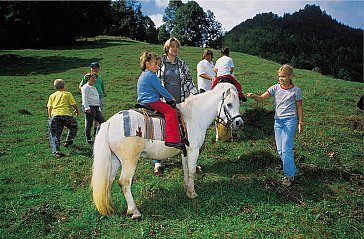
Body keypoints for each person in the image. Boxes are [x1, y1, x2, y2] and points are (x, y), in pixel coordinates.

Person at [246, 64, 303, 186]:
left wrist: (300, 122)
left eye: (283, 76)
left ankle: (289, 176)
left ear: (290, 76)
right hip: (278, 121)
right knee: (280, 150)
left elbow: (299, 107)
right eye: (279, 76)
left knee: (286, 148)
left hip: (290, 121)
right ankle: (292, 170)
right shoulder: (275, 88)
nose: (280, 79)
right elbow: (262, 98)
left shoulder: (296, 91)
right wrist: (254, 96)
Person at [154, 37, 199, 176]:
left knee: (186, 130)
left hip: (181, 102)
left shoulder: (182, 64)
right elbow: (154, 80)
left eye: (177, 46)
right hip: (163, 102)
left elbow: (190, 81)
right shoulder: (159, 63)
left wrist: (196, 97)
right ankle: (157, 162)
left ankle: (191, 161)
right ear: (167, 48)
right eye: (172, 46)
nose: (175, 48)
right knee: (160, 129)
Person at [137, 51, 185, 150]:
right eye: (156, 64)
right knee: (171, 112)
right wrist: (170, 98)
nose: (158, 67)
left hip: (143, 100)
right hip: (151, 101)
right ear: (147, 63)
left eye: (159, 65)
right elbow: (160, 89)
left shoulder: (144, 75)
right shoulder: (151, 75)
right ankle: (172, 140)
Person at [47, 79, 80, 158]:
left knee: (55, 134)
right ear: (64, 86)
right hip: (66, 115)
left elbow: (49, 107)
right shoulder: (67, 94)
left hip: (55, 116)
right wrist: (77, 110)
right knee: (73, 126)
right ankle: (69, 140)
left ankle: (57, 151)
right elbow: (73, 104)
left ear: (55, 87)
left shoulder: (52, 95)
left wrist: (49, 115)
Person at [79, 62, 106, 135]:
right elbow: (81, 86)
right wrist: (84, 92)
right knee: (89, 118)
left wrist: (103, 91)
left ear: (98, 68)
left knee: (98, 114)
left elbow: (102, 85)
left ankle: (96, 130)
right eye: (92, 68)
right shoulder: (87, 77)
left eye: (95, 68)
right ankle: (87, 133)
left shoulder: (99, 77)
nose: (93, 69)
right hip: (90, 98)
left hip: (98, 96)